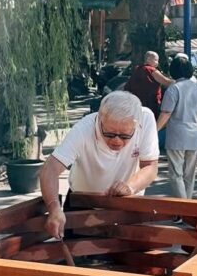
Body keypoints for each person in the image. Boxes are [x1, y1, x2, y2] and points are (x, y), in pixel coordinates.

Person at [40, 90, 159, 240]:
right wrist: (54, 209)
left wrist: (130, 186)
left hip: (127, 202)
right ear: (100, 118)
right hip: (83, 201)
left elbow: (150, 166)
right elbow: (50, 169)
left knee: (129, 258)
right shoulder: (83, 129)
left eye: (125, 136)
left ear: (136, 124)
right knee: (78, 257)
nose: (117, 141)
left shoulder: (146, 118)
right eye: (109, 134)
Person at [156, 54, 197, 199]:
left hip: (177, 136)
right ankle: (187, 205)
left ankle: (182, 208)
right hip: (195, 135)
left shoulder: (173, 89)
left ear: (173, 71)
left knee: (175, 174)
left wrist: (154, 131)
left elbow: (166, 113)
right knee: (189, 175)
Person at [124, 51, 172, 118]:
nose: (157, 63)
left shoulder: (137, 69)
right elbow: (165, 81)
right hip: (151, 104)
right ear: (148, 59)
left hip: (137, 104)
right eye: (156, 60)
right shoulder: (150, 70)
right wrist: (178, 82)